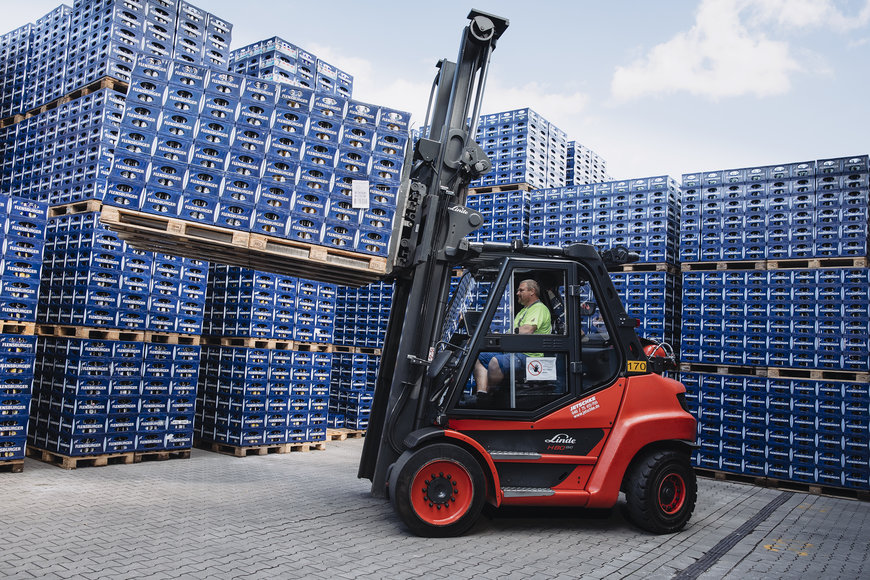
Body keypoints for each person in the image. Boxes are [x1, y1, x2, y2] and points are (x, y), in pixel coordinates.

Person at [473, 279, 551, 397]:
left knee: (495, 362)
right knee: (480, 357)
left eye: (521, 290)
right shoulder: (523, 311)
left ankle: (490, 396)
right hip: (516, 353)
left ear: (532, 292)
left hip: (530, 357)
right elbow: (512, 332)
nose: (517, 293)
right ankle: (481, 394)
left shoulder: (539, 308)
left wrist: (506, 335)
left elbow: (527, 330)